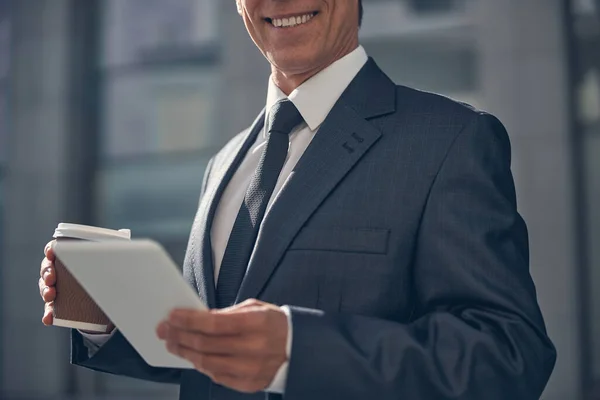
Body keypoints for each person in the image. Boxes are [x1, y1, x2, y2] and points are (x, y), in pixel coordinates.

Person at [38, 0, 557, 399]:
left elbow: (507, 355)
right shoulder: (224, 163)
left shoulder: (449, 141)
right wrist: (107, 317)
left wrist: (297, 349)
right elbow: (214, 347)